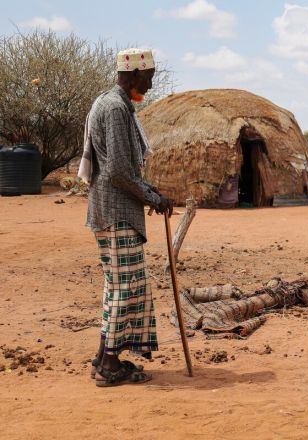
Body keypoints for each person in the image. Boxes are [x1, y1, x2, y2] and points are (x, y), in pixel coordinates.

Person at [78, 48, 173, 386]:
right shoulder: (117, 108)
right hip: (116, 212)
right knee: (125, 290)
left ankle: (105, 357)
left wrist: (151, 191)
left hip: (109, 209)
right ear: (134, 75)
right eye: (148, 77)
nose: (149, 83)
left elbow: (120, 167)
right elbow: (118, 170)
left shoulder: (108, 102)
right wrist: (151, 196)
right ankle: (107, 366)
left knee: (118, 287)